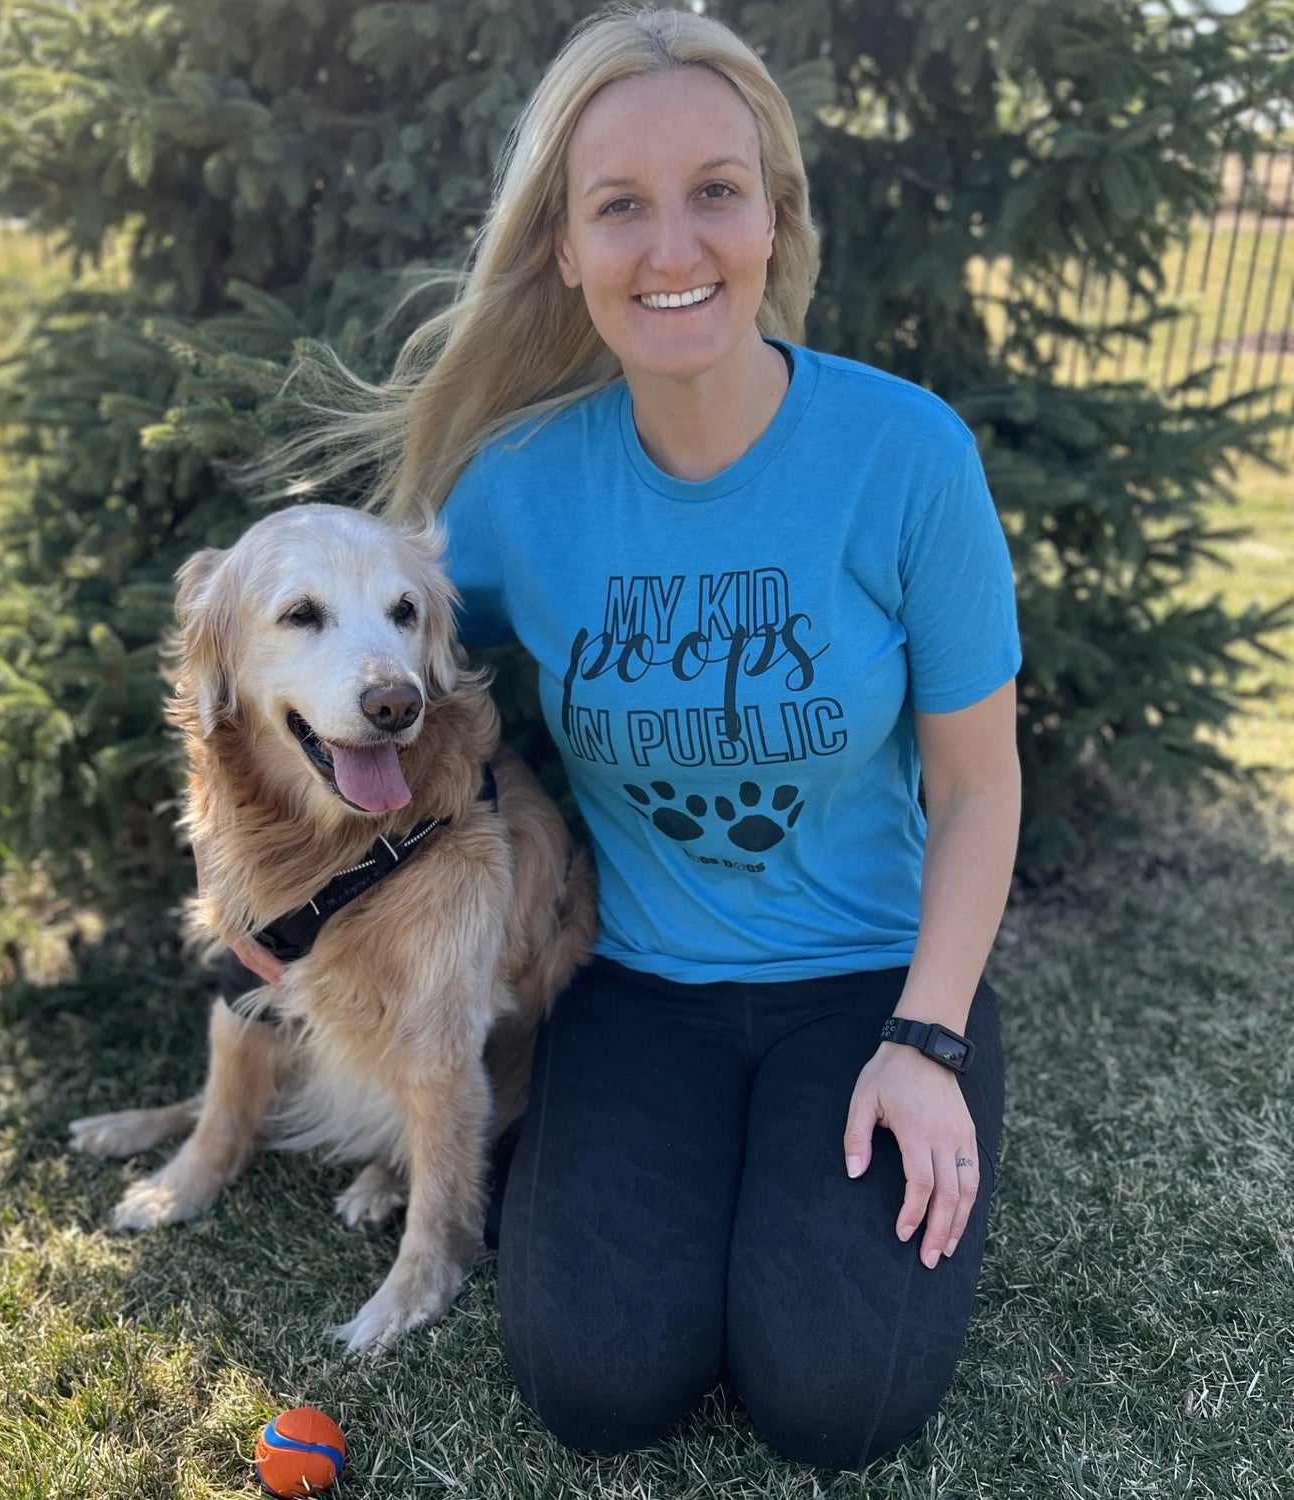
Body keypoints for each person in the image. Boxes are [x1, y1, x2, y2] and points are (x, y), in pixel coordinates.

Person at [231, 3, 1021, 1474]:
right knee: (596, 1384)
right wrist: (279, 894)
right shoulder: (520, 494)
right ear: (563, 249)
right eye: (621, 208)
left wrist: (927, 1038)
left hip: (867, 982)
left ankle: (836, 1142)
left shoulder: (906, 457)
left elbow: (980, 786)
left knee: (834, 1400)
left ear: (775, 215)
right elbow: (356, 683)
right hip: (636, 982)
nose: (674, 249)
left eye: (716, 191)